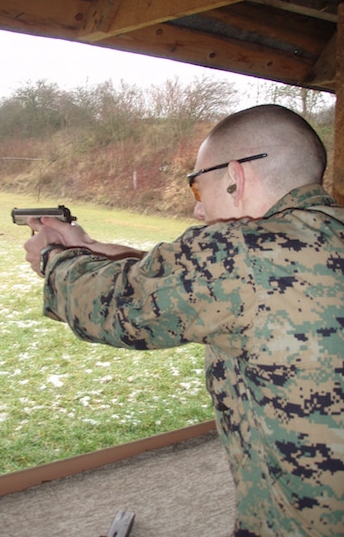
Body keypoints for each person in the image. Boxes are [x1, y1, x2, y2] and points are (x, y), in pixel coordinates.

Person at [24, 104, 344, 536]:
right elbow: (193, 282)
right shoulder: (316, 236)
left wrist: (53, 258)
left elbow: (115, 306)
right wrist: (91, 246)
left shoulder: (235, 253)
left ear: (236, 176)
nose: (197, 209)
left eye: (197, 188)